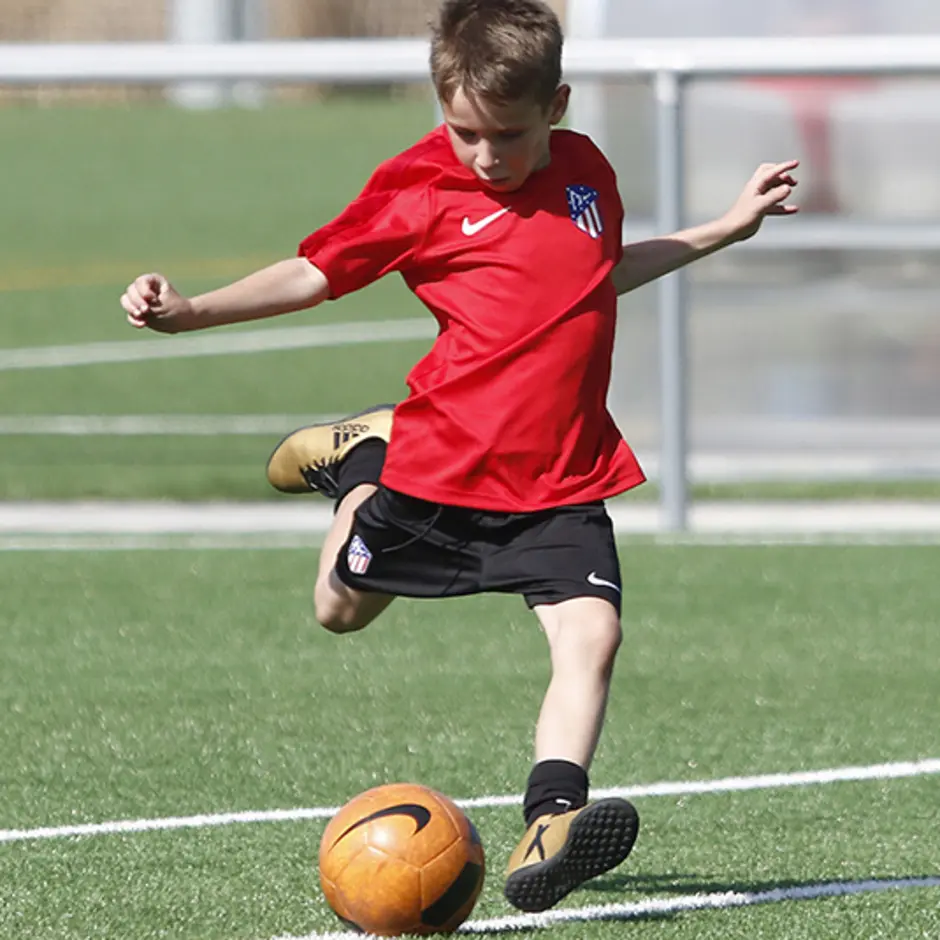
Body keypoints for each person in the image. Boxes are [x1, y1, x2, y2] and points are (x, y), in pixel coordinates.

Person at [120, 0, 798, 914]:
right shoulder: (419, 187)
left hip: (561, 474)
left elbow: (599, 272)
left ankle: (551, 819)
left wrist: (723, 227)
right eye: (464, 130)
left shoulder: (588, 170)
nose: (485, 155)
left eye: (507, 135)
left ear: (555, 106)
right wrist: (189, 310)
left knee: (592, 635)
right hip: (439, 466)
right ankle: (362, 461)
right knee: (338, 609)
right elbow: (314, 273)